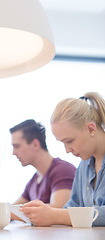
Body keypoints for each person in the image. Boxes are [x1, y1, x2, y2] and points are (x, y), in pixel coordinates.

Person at [21, 92, 105, 226]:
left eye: (70, 141)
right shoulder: (84, 165)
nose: (67, 150)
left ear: (91, 129)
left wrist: (55, 215)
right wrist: (43, 211)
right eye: (63, 143)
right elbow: (73, 206)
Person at [10, 119, 76, 212]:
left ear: (35, 144)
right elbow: (12, 209)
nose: (13, 153)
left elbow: (58, 209)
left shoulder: (63, 170)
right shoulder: (33, 181)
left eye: (17, 146)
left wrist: (10, 212)